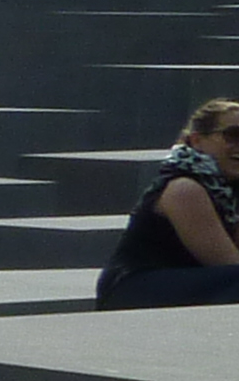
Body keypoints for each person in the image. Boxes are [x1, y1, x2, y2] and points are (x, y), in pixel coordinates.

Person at [98, 96, 239, 306]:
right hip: (134, 286)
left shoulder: (229, 191)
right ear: (197, 140)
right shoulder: (185, 188)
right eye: (233, 135)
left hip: (188, 280)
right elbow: (226, 262)